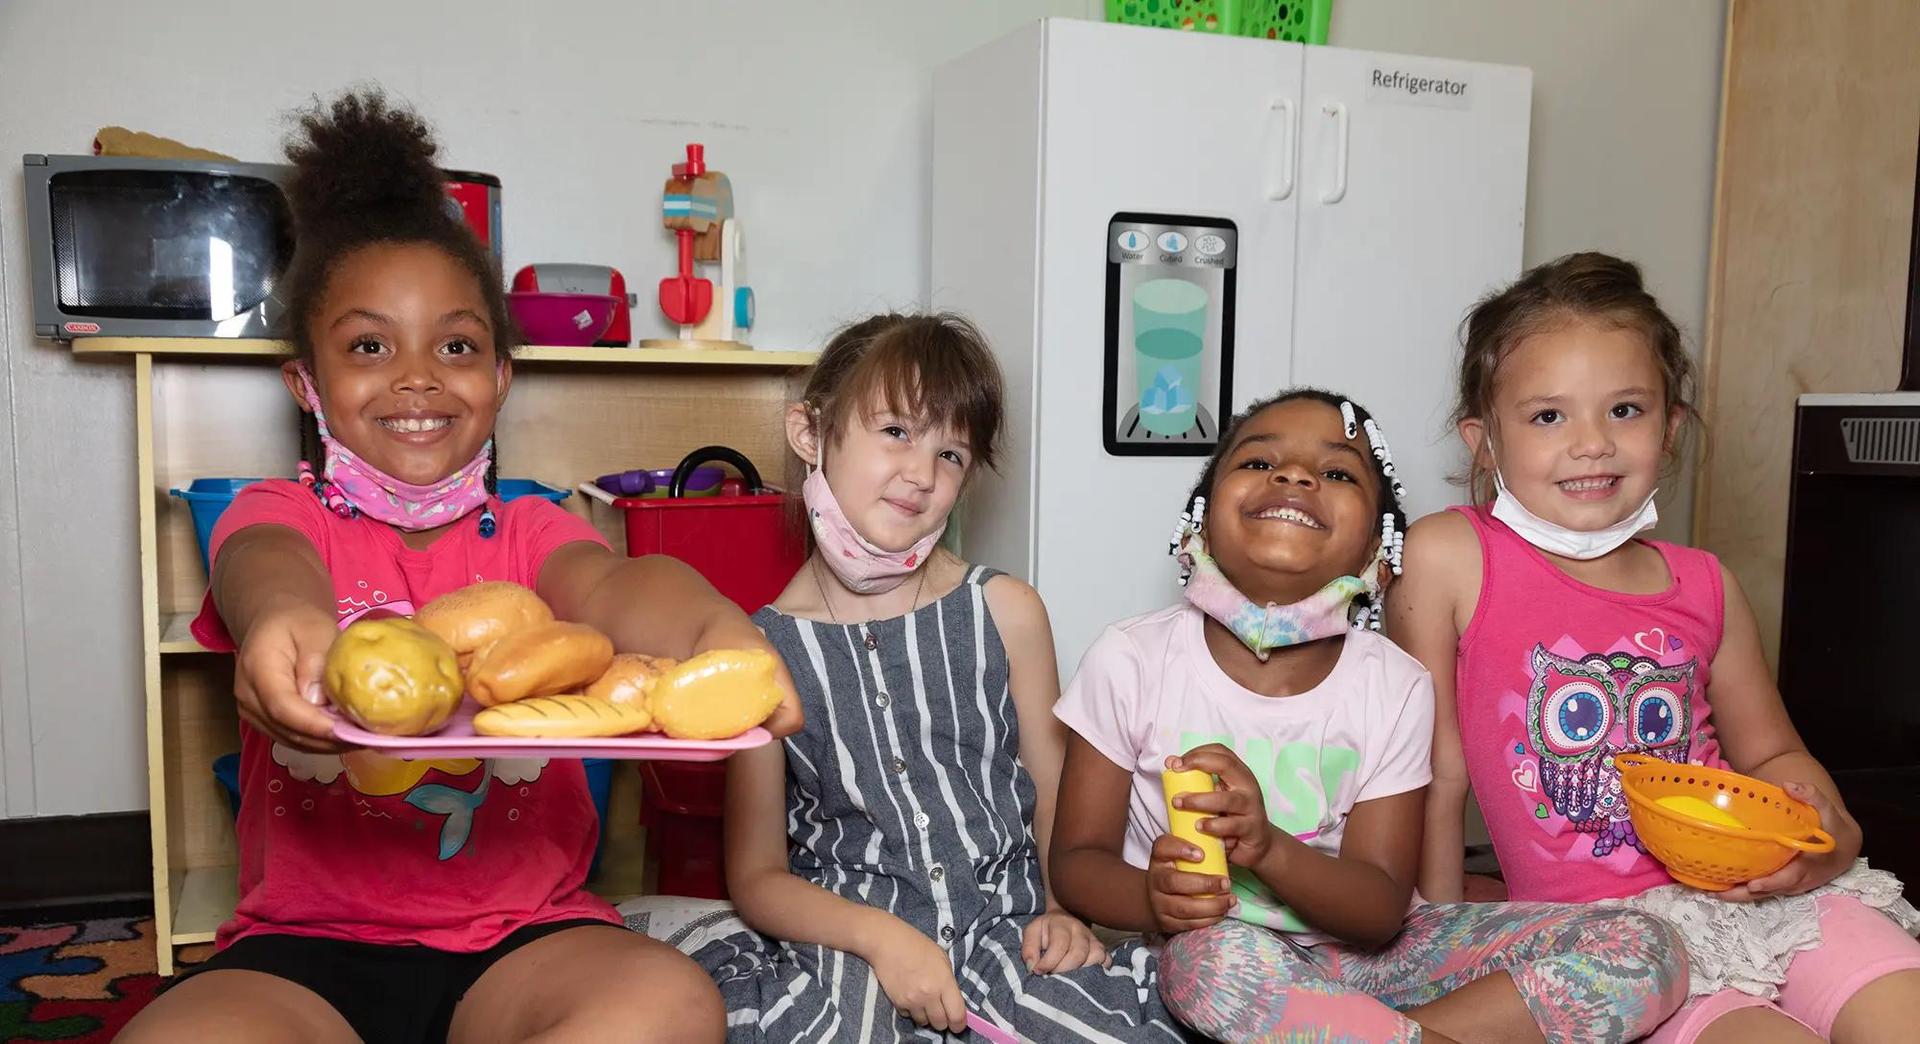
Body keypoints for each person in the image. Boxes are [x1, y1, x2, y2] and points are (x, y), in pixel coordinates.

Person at [1390, 252, 1920, 1044]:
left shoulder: (1706, 583)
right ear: (1484, 441)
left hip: (1774, 902)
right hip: (1614, 950)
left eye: (1626, 410)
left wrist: (1828, 834)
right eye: (1548, 416)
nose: (1592, 444)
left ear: (1670, 427)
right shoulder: (1449, 556)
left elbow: (1773, 755)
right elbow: (1433, 765)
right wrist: (1440, 937)